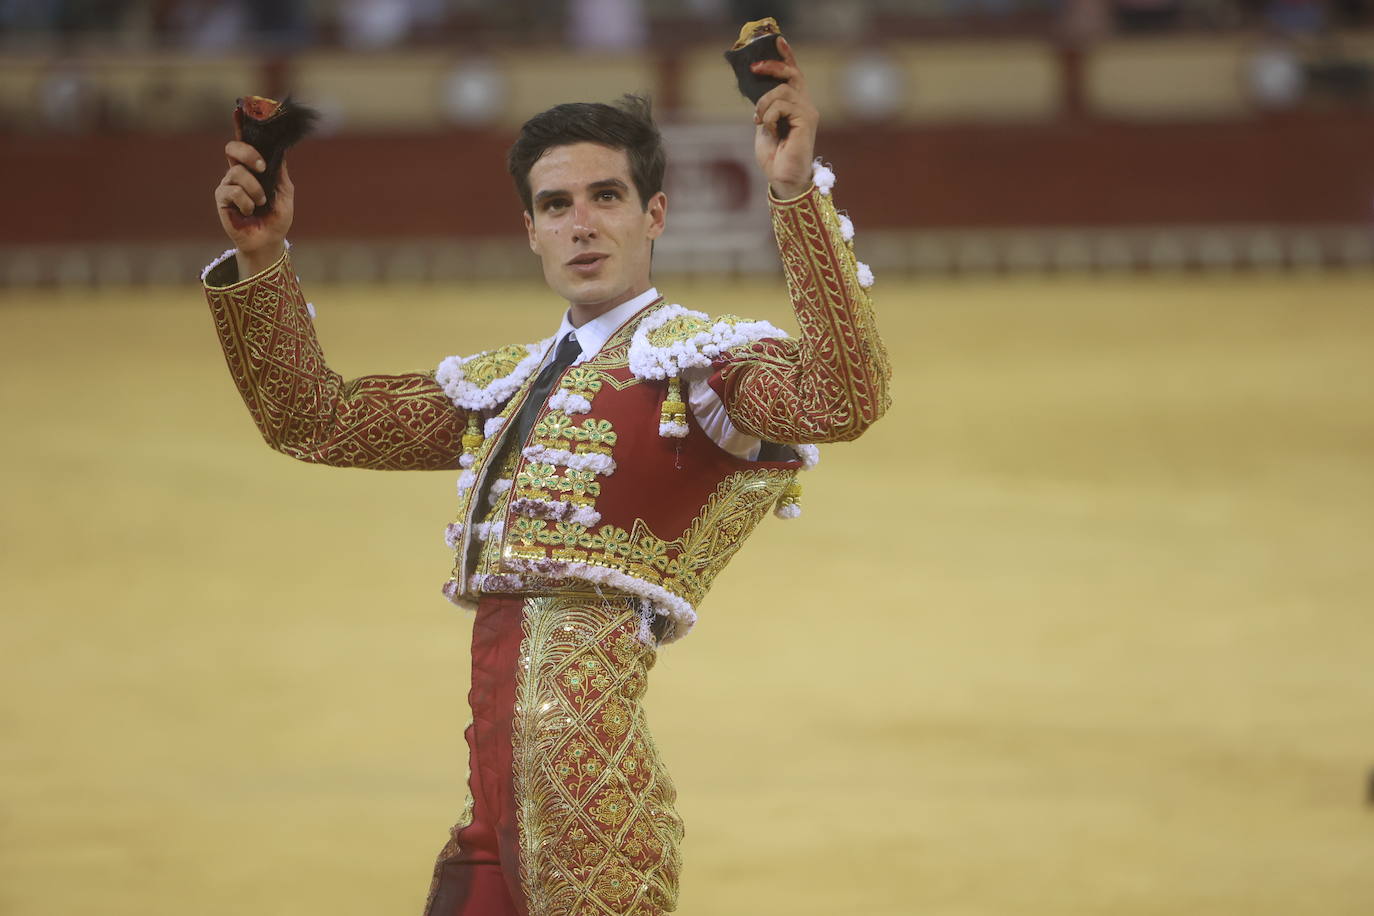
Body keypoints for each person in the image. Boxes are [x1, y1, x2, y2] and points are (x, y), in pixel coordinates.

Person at [202, 37, 888, 916]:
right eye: (555, 205)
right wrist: (263, 257)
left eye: (607, 196)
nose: (581, 224)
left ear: (655, 214)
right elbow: (316, 420)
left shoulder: (703, 366)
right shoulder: (507, 386)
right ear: (531, 230)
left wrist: (794, 194)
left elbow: (841, 398)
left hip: (590, 803)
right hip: (492, 803)